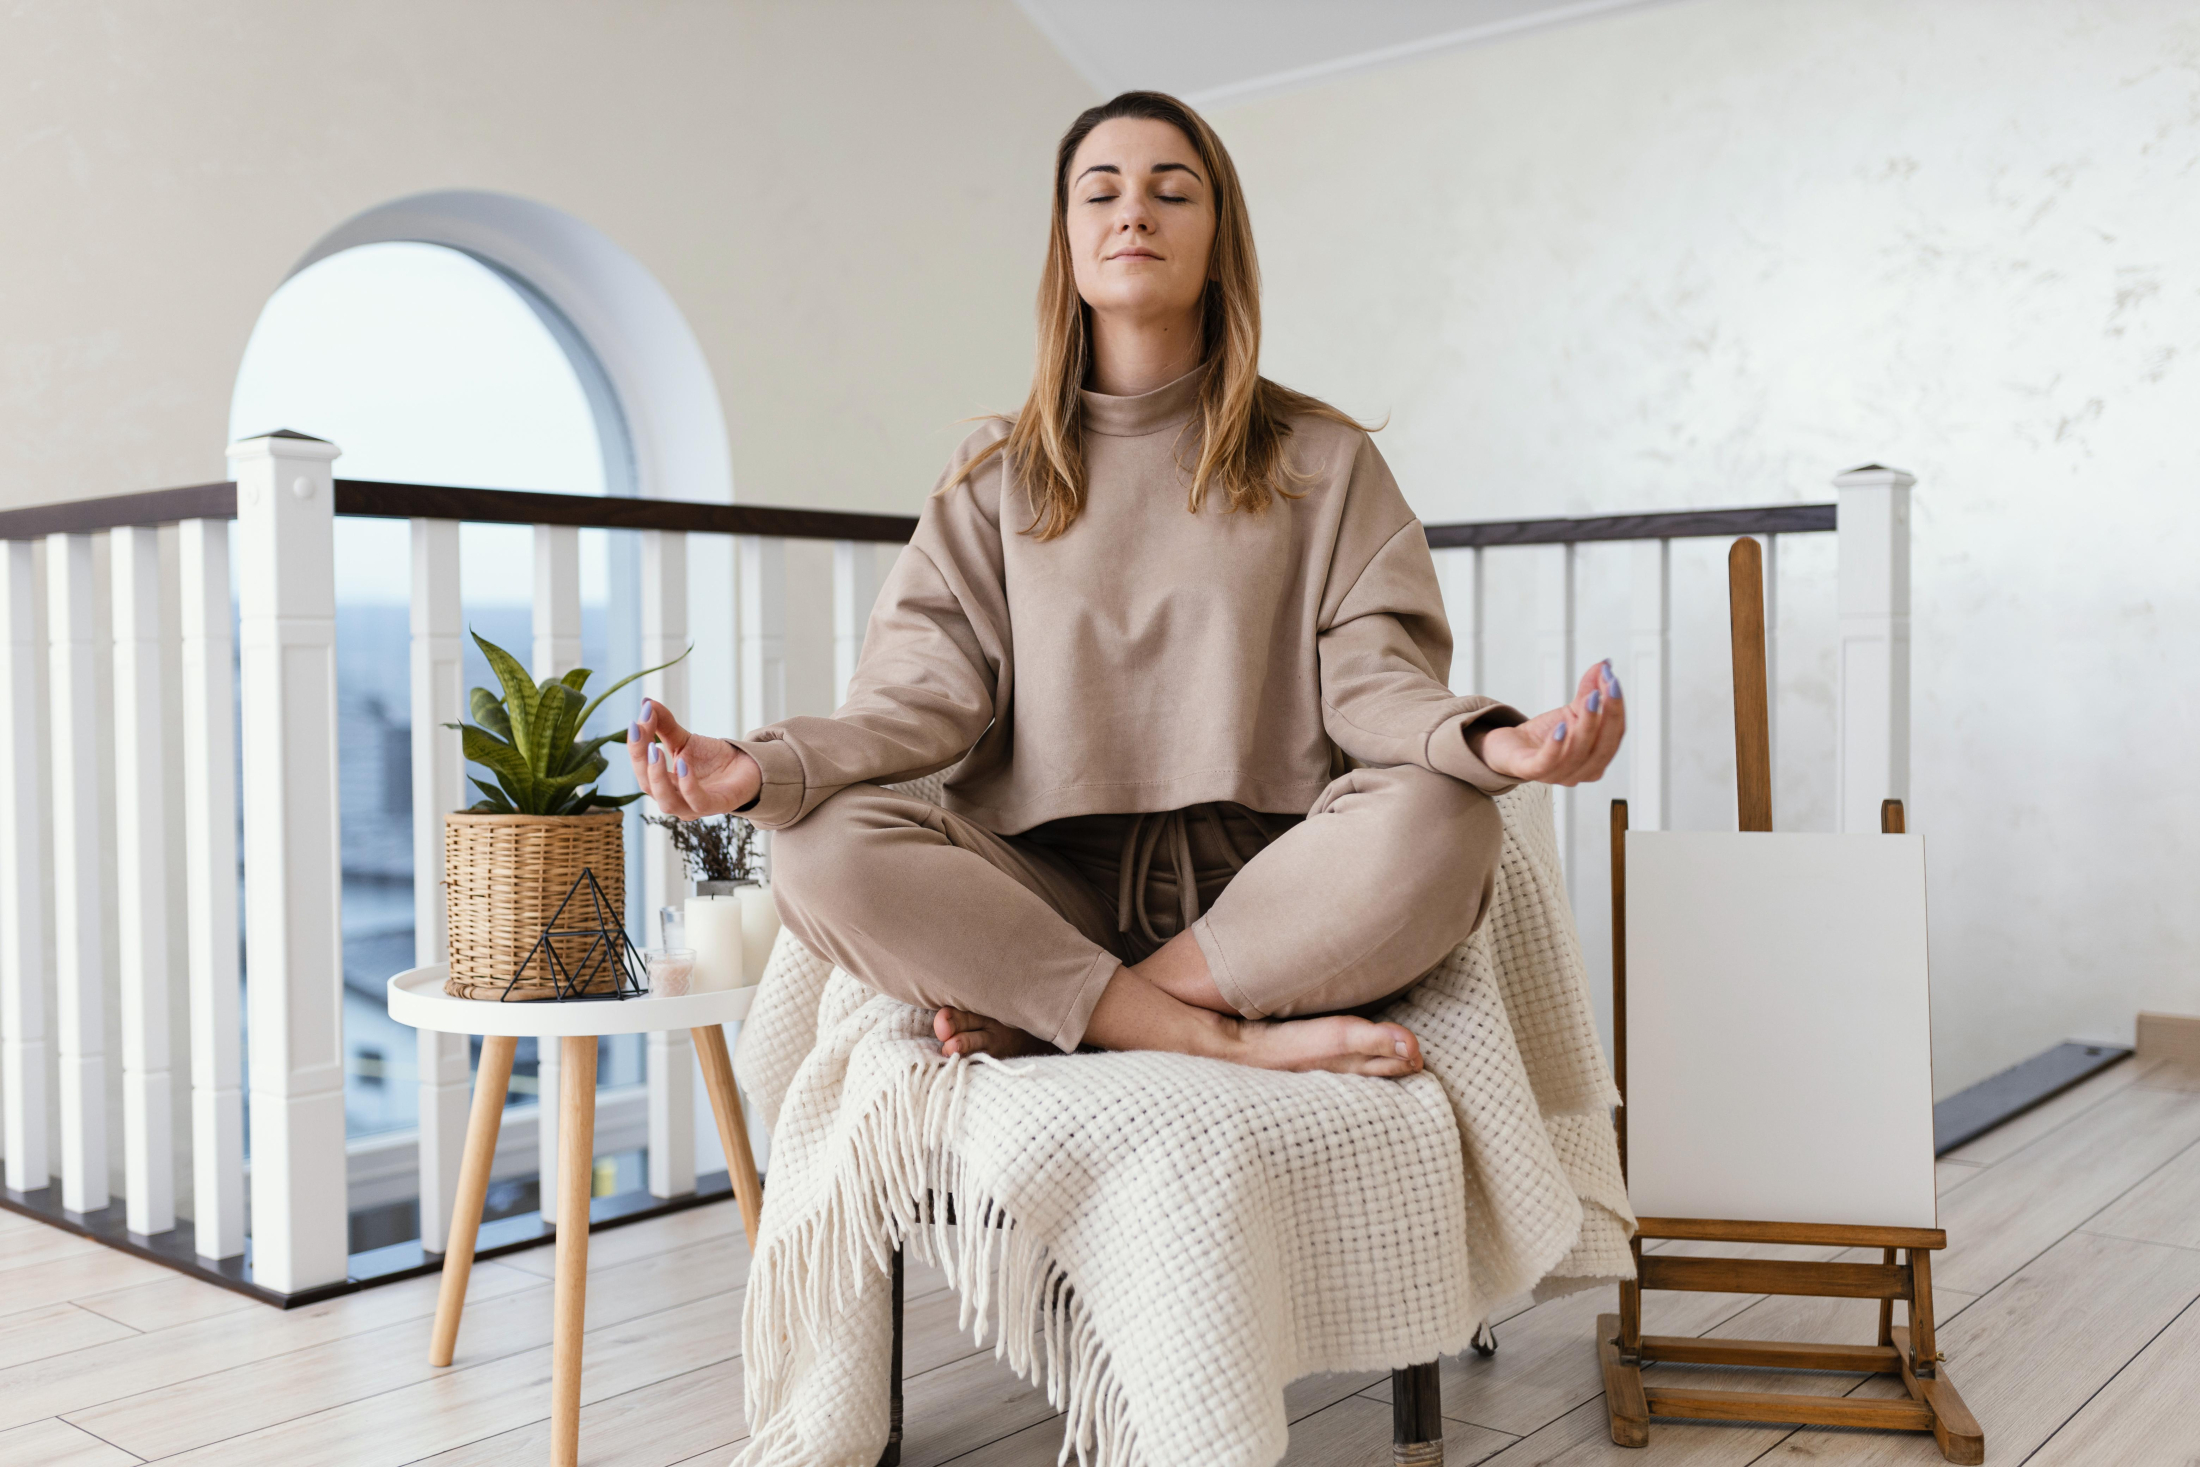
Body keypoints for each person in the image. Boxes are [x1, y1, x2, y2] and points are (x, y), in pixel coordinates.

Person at [629, 91, 1622, 1079]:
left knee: (1446, 818)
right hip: (1050, 881)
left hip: (1271, 888)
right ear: (1067, 242)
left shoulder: (1324, 459)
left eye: (1170, 192)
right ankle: (1211, 1034)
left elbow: (1376, 688)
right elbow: (916, 700)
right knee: (818, 848)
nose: (1132, 213)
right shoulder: (994, 474)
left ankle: (1081, 1007)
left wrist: (1495, 740)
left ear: (1216, 236)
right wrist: (754, 770)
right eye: (1099, 193)